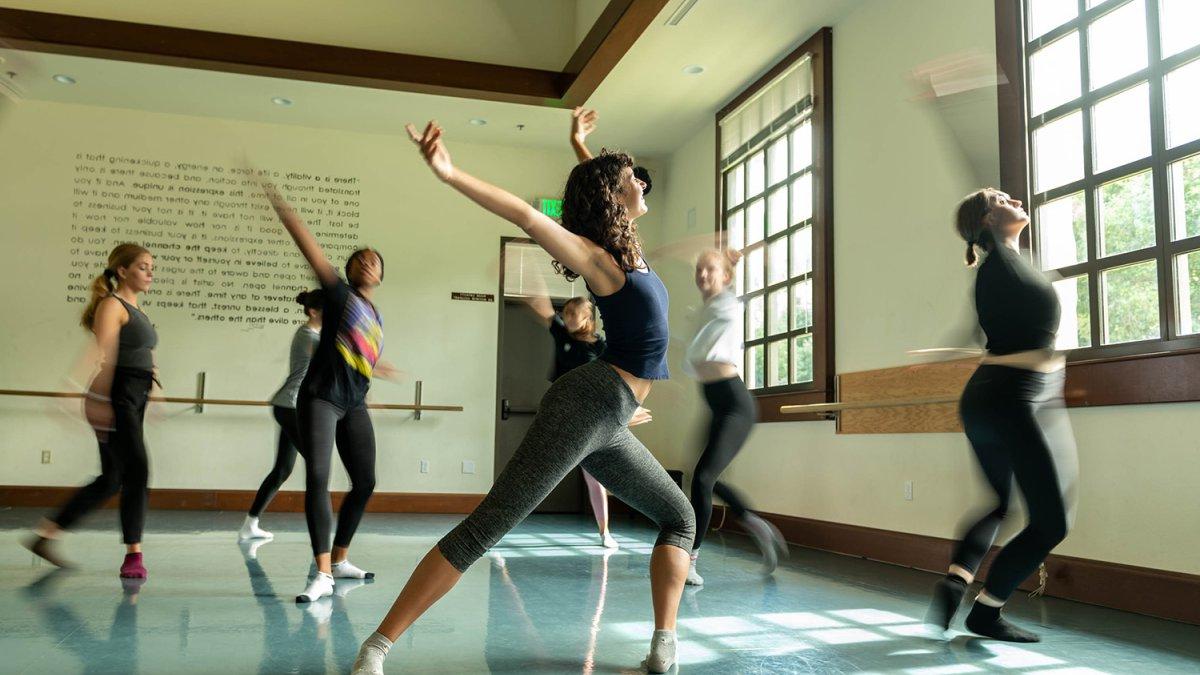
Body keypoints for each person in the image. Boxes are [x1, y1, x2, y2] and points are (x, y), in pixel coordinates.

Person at [351, 120, 695, 674]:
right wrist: (448, 172)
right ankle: (378, 646)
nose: (643, 185)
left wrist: (581, 147)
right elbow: (527, 216)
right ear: (616, 194)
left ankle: (663, 645)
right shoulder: (601, 263)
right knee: (489, 526)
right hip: (588, 403)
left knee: (680, 517)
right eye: (633, 179)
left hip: (612, 413)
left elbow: (599, 191)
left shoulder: (627, 251)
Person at [926, 188, 1079, 643]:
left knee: (999, 502)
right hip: (1011, 399)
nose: (1013, 198)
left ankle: (956, 580)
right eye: (1000, 198)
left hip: (988, 402)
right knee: (1052, 522)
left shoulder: (1003, 267)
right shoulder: (1003, 268)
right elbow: (1018, 343)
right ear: (990, 220)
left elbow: (995, 333)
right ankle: (986, 612)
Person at [24, 243, 158, 580]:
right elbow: (103, 353)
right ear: (122, 270)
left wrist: (157, 391)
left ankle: (46, 534)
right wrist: (84, 394)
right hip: (115, 395)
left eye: (151, 267)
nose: (150, 272)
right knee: (137, 470)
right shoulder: (111, 305)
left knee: (112, 478)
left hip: (133, 395)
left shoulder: (136, 307)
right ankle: (133, 556)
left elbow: (143, 354)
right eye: (143, 266)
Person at [239, 289, 324, 541]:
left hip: (290, 406)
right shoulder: (307, 335)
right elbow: (338, 357)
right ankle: (320, 541)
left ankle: (250, 525)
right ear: (313, 311)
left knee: (282, 469)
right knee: (317, 464)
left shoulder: (315, 335)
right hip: (290, 406)